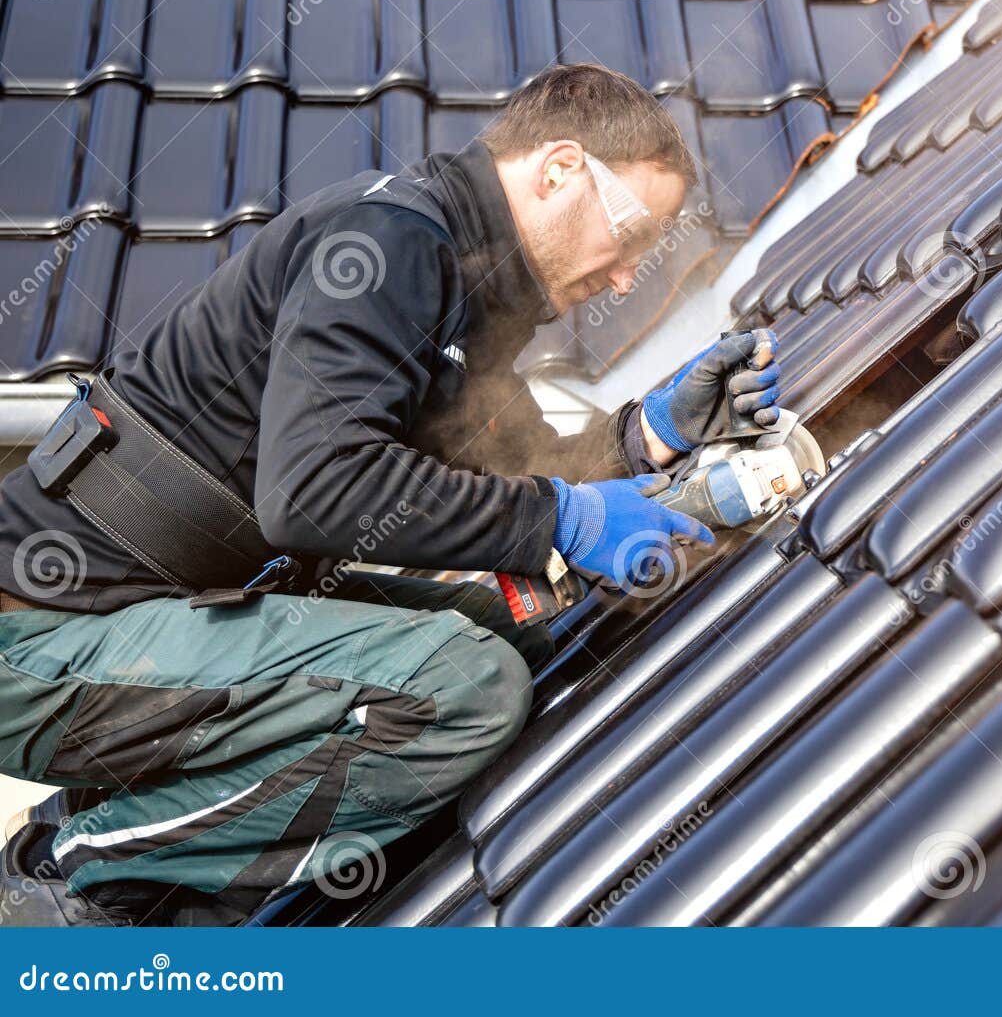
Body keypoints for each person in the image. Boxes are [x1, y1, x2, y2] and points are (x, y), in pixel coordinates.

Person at [0, 63, 781, 926]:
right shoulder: (388, 242)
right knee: (467, 687)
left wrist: (650, 435)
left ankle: (131, 825)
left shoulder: (461, 281)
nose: (631, 277)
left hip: (144, 623)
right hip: (43, 638)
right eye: (632, 231)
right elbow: (314, 492)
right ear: (560, 169)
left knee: (511, 616)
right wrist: (560, 514)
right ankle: (83, 875)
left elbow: (512, 469)